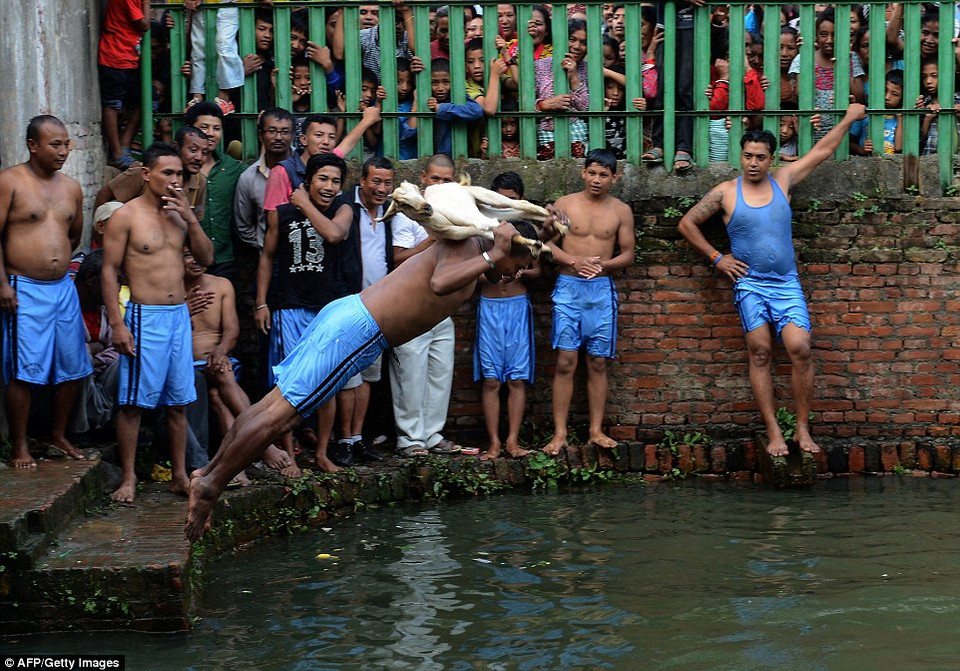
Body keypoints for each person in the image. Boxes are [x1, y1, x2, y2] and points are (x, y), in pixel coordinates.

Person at [185, 219, 539, 541]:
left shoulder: (472, 251)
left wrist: (539, 232)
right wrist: (497, 253)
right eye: (517, 266)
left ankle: (208, 473)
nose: (514, 275)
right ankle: (211, 488)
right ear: (506, 247)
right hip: (359, 331)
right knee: (281, 415)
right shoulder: (473, 249)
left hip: (353, 322)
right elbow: (439, 281)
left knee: (274, 406)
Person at [677, 102, 867, 458]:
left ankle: (802, 428)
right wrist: (718, 258)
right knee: (761, 351)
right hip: (750, 284)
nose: (753, 163)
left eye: (760, 157)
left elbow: (822, 150)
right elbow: (687, 223)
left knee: (801, 348)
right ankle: (773, 431)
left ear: (771, 159)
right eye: (748, 156)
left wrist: (849, 118)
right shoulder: (725, 191)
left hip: (786, 283)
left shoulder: (784, 179)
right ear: (741, 155)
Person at [102, 142, 214, 503]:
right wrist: (117, 324)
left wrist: (190, 216)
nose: (175, 180)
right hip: (143, 315)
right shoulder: (126, 216)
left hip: (178, 317)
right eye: (167, 173)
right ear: (147, 174)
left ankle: (180, 475)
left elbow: (206, 257)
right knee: (134, 403)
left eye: (179, 174)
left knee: (179, 401)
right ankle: (129, 477)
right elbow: (108, 271)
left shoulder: (181, 215)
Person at [0, 115, 92, 469]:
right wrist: (3, 283)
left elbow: (73, 235)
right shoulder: (10, 181)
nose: (63, 151)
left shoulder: (70, 186)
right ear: (33, 145)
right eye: (55, 144)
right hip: (24, 288)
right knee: (25, 368)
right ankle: (20, 444)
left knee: (72, 365)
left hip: (61, 289)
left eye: (67, 144)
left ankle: (58, 433)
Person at [255, 153, 354, 473]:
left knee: (327, 384)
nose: (328, 186)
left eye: (335, 181)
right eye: (322, 179)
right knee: (290, 386)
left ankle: (323, 454)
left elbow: (334, 235)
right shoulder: (281, 214)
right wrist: (261, 302)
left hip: (327, 309)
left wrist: (304, 203)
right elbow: (267, 258)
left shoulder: (343, 210)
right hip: (289, 307)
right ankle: (290, 458)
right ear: (308, 180)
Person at [543, 148, 634, 456]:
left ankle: (595, 430)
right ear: (583, 172)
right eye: (592, 173)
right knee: (566, 361)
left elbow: (628, 254)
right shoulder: (565, 205)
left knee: (597, 361)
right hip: (568, 287)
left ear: (614, 178)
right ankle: (559, 433)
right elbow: (545, 246)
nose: (597, 180)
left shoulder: (621, 210)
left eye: (604, 175)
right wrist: (574, 260)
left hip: (600, 290)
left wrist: (602, 266)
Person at [389, 155, 460, 458]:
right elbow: (398, 259)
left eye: (447, 180)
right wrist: (432, 240)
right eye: (435, 179)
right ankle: (410, 438)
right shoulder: (407, 213)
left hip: (444, 304)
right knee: (411, 374)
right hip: (412, 302)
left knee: (440, 372)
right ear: (423, 178)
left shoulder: (458, 211)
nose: (441, 185)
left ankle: (432, 434)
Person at [476, 171, 537, 461]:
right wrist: (492, 268)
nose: (506, 205)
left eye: (511, 200)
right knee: (491, 380)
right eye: (500, 200)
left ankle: (512, 441)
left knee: (516, 378)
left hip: (516, 307)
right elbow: (471, 272)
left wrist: (521, 269)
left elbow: (541, 270)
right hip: (489, 307)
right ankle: (494, 444)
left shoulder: (528, 232)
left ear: (520, 201)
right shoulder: (482, 230)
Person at [182, 246, 250, 486]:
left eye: (199, 255)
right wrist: (183, 309)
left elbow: (232, 330)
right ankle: (254, 449)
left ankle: (240, 462)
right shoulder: (170, 290)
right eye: (187, 255)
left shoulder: (221, 285)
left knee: (221, 377)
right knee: (216, 396)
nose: (195, 261)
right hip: (185, 365)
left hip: (217, 360)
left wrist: (221, 351)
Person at [185, 102, 246, 280]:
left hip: (224, 258)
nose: (211, 133)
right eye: (204, 127)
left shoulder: (234, 168)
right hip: (184, 258)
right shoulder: (176, 167)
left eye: (216, 128)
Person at [93, 125, 209, 215]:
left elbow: (194, 220)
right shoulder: (142, 172)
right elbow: (103, 196)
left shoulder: (200, 181)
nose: (199, 157)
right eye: (193, 150)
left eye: (204, 153)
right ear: (177, 147)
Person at [98, 0, 151, 168]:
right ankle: (117, 153)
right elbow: (144, 24)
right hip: (115, 56)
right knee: (113, 104)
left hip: (128, 56)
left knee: (147, 99)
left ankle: (124, 145)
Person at [233, 107, 294, 252]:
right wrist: (264, 244)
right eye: (272, 131)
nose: (278, 137)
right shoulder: (249, 178)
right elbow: (243, 225)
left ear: (292, 136)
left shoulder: (305, 166)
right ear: (261, 135)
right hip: (270, 257)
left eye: (284, 132)